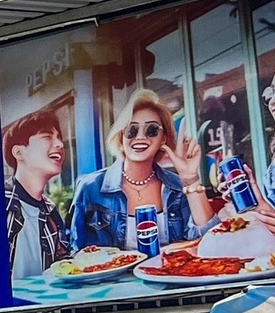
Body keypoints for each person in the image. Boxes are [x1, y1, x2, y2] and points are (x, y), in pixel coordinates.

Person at [68, 88, 224, 250]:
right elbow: (75, 253)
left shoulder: (178, 187)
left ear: (163, 138)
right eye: (131, 130)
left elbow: (212, 243)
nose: (141, 137)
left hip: (167, 274)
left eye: (151, 130)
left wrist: (190, 178)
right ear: (121, 137)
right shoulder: (90, 188)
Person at [4, 110, 71, 278]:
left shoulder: (51, 212)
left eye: (59, 138)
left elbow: (62, 267)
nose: (60, 145)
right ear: (19, 153)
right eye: (47, 137)